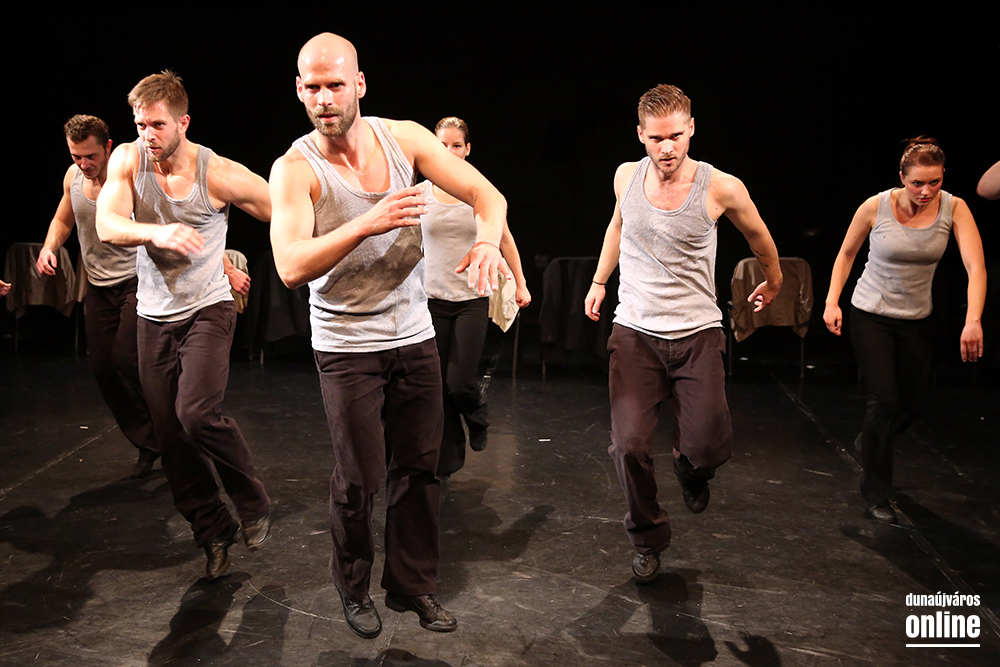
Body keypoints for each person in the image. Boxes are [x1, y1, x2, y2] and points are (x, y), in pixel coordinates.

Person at [269, 33, 507, 638]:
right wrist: (366, 223)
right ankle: (353, 587)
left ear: (359, 84)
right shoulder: (296, 169)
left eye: (335, 85)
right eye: (313, 87)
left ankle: (412, 584)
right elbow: (290, 266)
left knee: (422, 468)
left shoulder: (404, 139)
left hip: (413, 334)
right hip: (347, 345)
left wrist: (486, 239)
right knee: (360, 478)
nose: (325, 98)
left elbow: (487, 194)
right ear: (299, 90)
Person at [584, 84, 782, 584]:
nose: (667, 148)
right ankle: (648, 538)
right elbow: (617, 225)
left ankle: (692, 469)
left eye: (675, 136)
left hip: (697, 334)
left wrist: (775, 279)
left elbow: (758, 234)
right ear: (640, 135)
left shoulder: (720, 187)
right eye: (656, 138)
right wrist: (600, 281)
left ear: (691, 129)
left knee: (707, 447)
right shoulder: (625, 176)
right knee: (628, 446)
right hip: (635, 332)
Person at [96, 71, 272, 580]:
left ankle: (252, 502)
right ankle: (212, 530)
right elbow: (107, 224)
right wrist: (158, 232)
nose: (146, 135)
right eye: (139, 124)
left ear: (183, 122)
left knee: (195, 413)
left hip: (208, 309)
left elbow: (282, 209)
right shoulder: (129, 159)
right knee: (171, 436)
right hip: (153, 314)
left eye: (157, 125)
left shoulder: (216, 173)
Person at [823, 137, 986, 524]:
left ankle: (871, 439)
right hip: (871, 314)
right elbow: (846, 254)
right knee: (884, 401)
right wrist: (832, 301)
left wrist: (973, 320)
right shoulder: (875, 206)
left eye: (934, 182)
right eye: (917, 183)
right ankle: (877, 494)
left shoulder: (955, 208)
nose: (926, 191)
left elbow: (975, 267)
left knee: (912, 406)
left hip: (916, 319)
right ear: (902, 177)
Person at [34, 115, 160, 478]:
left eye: (91, 156)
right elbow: (63, 220)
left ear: (108, 147)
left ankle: (173, 429)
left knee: (127, 358)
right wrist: (50, 247)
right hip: (98, 285)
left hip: (137, 280)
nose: (84, 164)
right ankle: (150, 442)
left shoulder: (129, 178)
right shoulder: (72, 178)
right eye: (77, 156)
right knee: (103, 368)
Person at [423, 116, 530, 476]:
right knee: (437, 388)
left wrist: (521, 283)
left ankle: (478, 416)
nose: (449, 151)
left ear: (467, 149)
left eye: (456, 145)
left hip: (470, 300)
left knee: (459, 384)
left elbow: (505, 239)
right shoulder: (422, 193)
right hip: (431, 301)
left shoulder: (480, 193)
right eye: (442, 145)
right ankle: (448, 459)